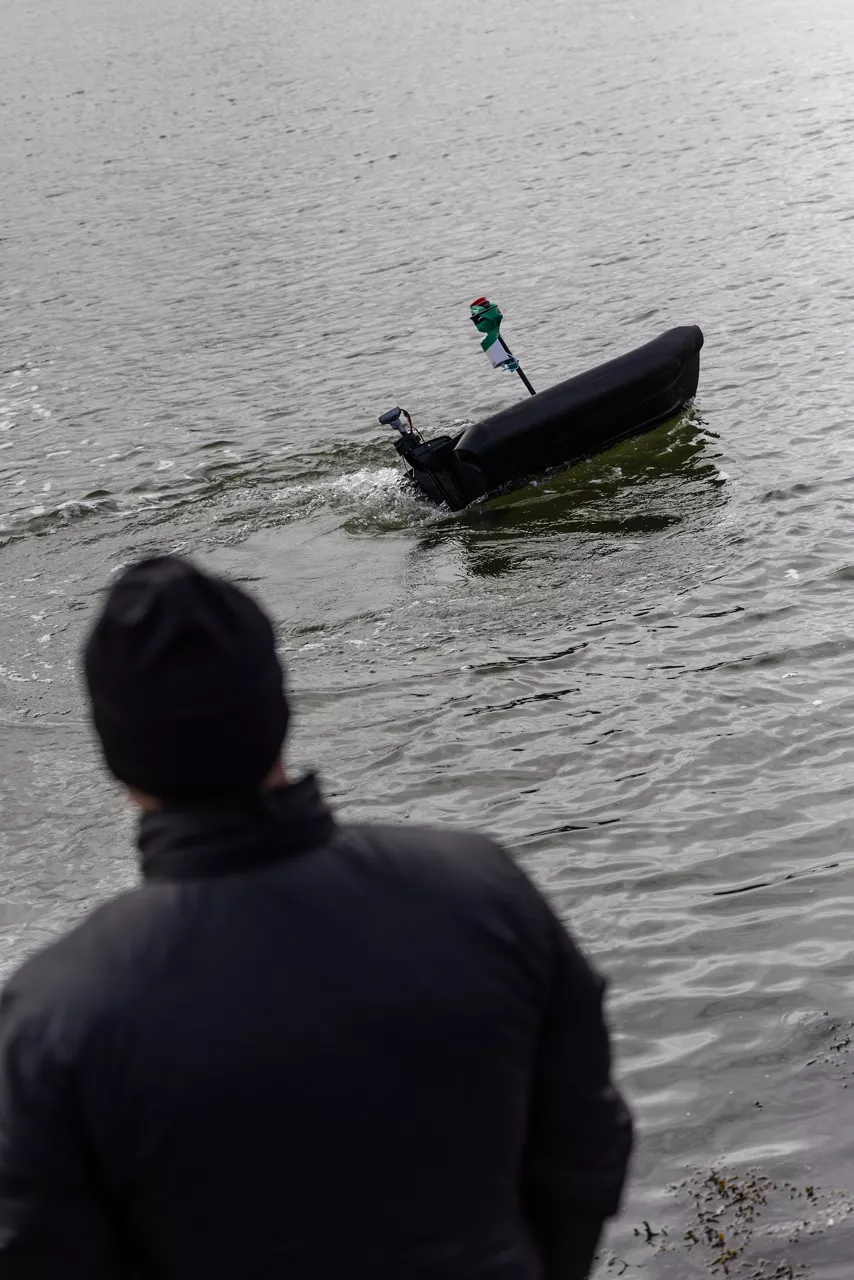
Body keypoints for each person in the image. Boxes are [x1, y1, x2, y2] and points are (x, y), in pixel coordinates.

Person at [0, 555, 632, 1280]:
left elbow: (38, 1253)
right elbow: (587, 1144)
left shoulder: (55, 1014)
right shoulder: (482, 890)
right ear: (279, 707)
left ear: (116, 754)